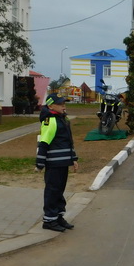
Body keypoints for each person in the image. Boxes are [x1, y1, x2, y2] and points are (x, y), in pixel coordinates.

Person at [35, 95, 78, 232]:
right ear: (51, 106)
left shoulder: (63, 119)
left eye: (64, 103)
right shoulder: (50, 120)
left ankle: (58, 217)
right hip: (54, 164)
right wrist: (40, 163)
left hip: (63, 162)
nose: (64, 106)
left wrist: (73, 159)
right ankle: (49, 220)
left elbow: (68, 141)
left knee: (59, 191)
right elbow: (44, 142)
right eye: (60, 104)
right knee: (52, 191)